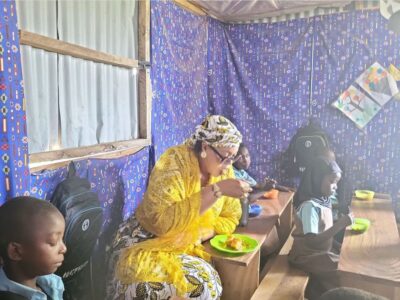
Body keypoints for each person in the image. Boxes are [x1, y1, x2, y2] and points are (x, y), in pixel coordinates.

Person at [107, 115, 252, 300]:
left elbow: (231, 216)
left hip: (186, 244)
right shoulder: (173, 162)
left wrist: (205, 230)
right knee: (151, 287)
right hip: (145, 239)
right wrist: (216, 190)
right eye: (225, 157)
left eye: (233, 158)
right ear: (206, 147)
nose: (228, 166)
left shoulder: (224, 170)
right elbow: (161, 223)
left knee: (207, 284)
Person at [288, 157, 353, 298]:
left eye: (337, 182)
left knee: (347, 257)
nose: (335, 186)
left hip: (320, 250)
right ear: (317, 179)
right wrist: (341, 224)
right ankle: (328, 293)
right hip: (305, 255)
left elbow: (324, 229)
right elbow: (312, 241)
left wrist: (337, 243)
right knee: (343, 269)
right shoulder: (310, 207)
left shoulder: (323, 200)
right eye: (332, 181)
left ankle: (323, 288)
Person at [0, 196, 67, 300]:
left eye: (62, 239)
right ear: (16, 251)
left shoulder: (46, 281)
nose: (64, 248)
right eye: (53, 242)